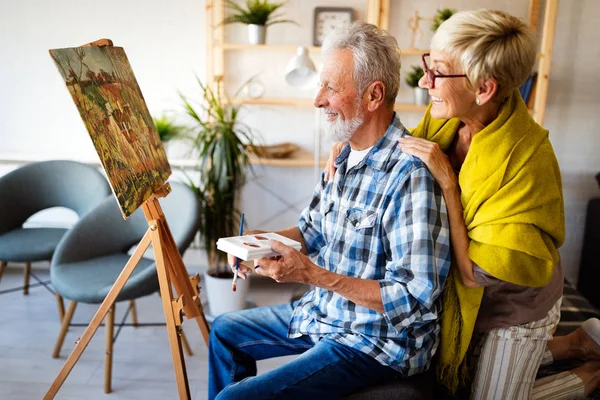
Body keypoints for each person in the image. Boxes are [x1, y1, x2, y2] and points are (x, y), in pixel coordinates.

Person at [324, 9, 600, 400]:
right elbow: (396, 153)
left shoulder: (527, 162)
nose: (425, 81)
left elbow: (472, 274)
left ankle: (588, 376)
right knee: (463, 377)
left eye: (437, 72)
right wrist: (349, 144)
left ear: (484, 89)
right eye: (428, 65)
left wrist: (449, 186)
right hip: (472, 299)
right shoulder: (447, 119)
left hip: (514, 305)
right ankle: (575, 344)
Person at [207, 21, 451, 400]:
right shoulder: (344, 154)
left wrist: (312, 274)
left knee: (233, 399)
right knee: (224, 330)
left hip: (375, 340)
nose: (318, 99)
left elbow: (413, 297)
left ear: (374, 95)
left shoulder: (409, 176)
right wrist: (256, 244)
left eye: (331, 88)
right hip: (327, 313)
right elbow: (310, 230)